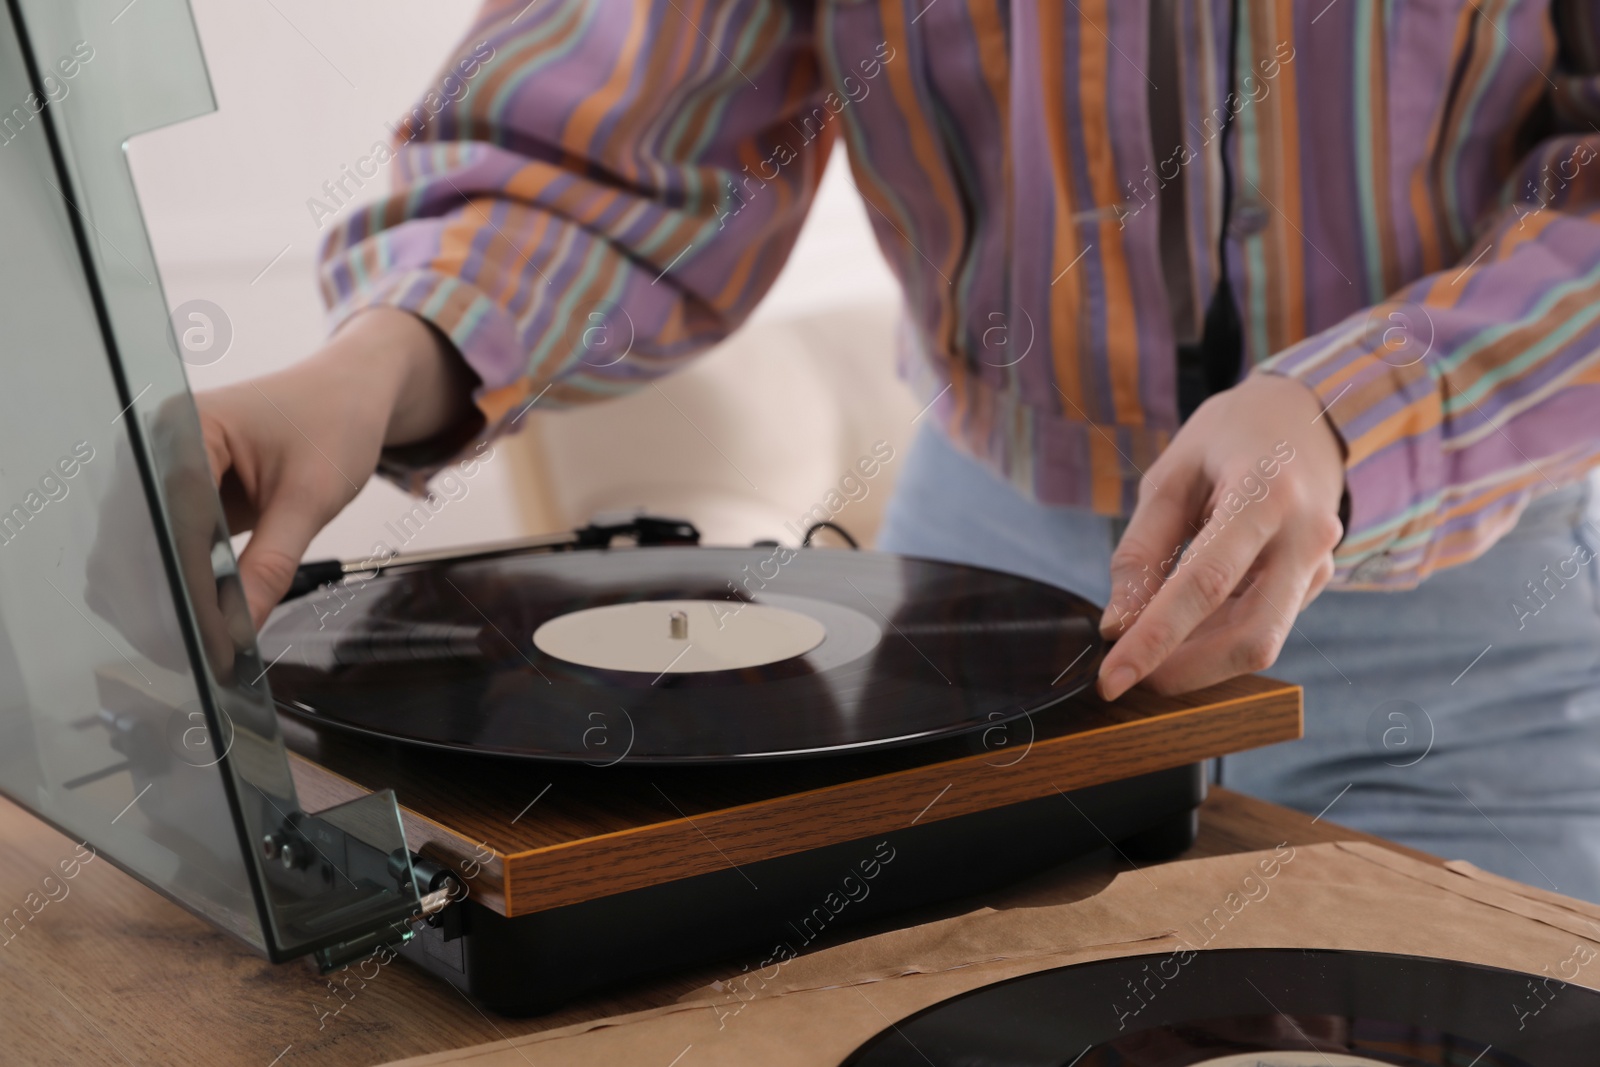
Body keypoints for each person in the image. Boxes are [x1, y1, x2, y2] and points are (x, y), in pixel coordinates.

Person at [197, 1, 1600, 900]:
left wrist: (1355, 410)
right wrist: (388, 360)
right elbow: (622, 132)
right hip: (978, 598)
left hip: (1460, 627)